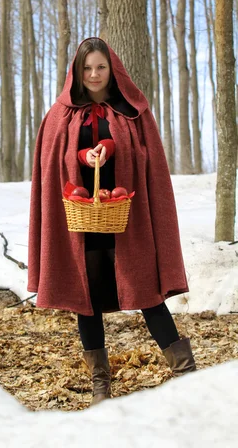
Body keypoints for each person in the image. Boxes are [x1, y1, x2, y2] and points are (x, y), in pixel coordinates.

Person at [28, 37, 196, 407]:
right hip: (79, 219)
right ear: (76, 71)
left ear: (112, 69)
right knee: (85, 300)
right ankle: (100, 385)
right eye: (87, 68)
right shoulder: (60, 113)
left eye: (100, 67)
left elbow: (147, 159)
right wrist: (84, 156)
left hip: (127, 218)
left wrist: (114, 148)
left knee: (147, 292)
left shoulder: (132, 111)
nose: (93, 74)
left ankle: (185, 372)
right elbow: (50, 163)